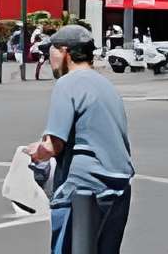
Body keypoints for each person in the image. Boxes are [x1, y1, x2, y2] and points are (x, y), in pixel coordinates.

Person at [29, 25, 132, 254]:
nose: (48, 59)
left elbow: (53, 146)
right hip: (119, 187)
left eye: (51, 52)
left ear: (65, 51)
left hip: (84, 190)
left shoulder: (67, 84)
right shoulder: (107, 86)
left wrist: (35, 154)